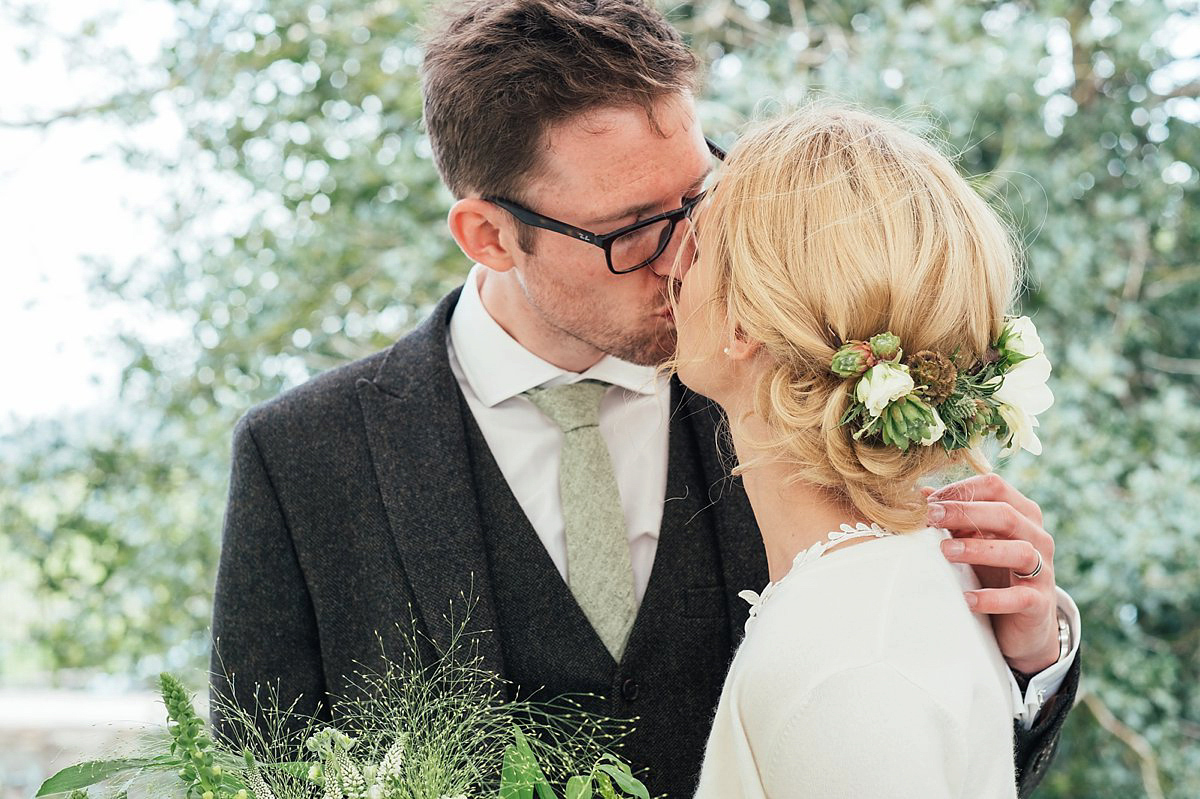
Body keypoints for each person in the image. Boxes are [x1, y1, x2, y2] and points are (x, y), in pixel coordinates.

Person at [209, 2, 1080, 796]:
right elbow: (256, 771)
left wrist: (1030, 658)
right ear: (489, 234)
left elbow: (913, 723)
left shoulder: (787, 375)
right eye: (630, 230)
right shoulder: (302, 457)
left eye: (699, 199)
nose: (683, 256)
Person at [674, 104, 1055, 797]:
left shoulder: (845, 661)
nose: (672, 268)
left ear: (740, 326)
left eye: (696, 246)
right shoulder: (897, 582)